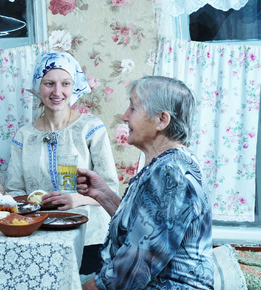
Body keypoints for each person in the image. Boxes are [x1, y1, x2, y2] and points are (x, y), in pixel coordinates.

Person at [78, 76, 214, 289]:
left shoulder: (172, 174)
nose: (124, 116)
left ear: (162, 120)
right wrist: (103, 194)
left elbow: (134, 269)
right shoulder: (166, 164)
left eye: (133, 108)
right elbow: (143, 230)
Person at [5, 52, 119, 274]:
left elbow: (110, 188)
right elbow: (14, 191)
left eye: (65, 83)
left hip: (91, 237)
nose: (57, 92)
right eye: (49, 84)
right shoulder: (24, 136)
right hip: (39, 236)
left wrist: (75, 199)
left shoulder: (91, 128)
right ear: (38, 87)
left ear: (74, 86)